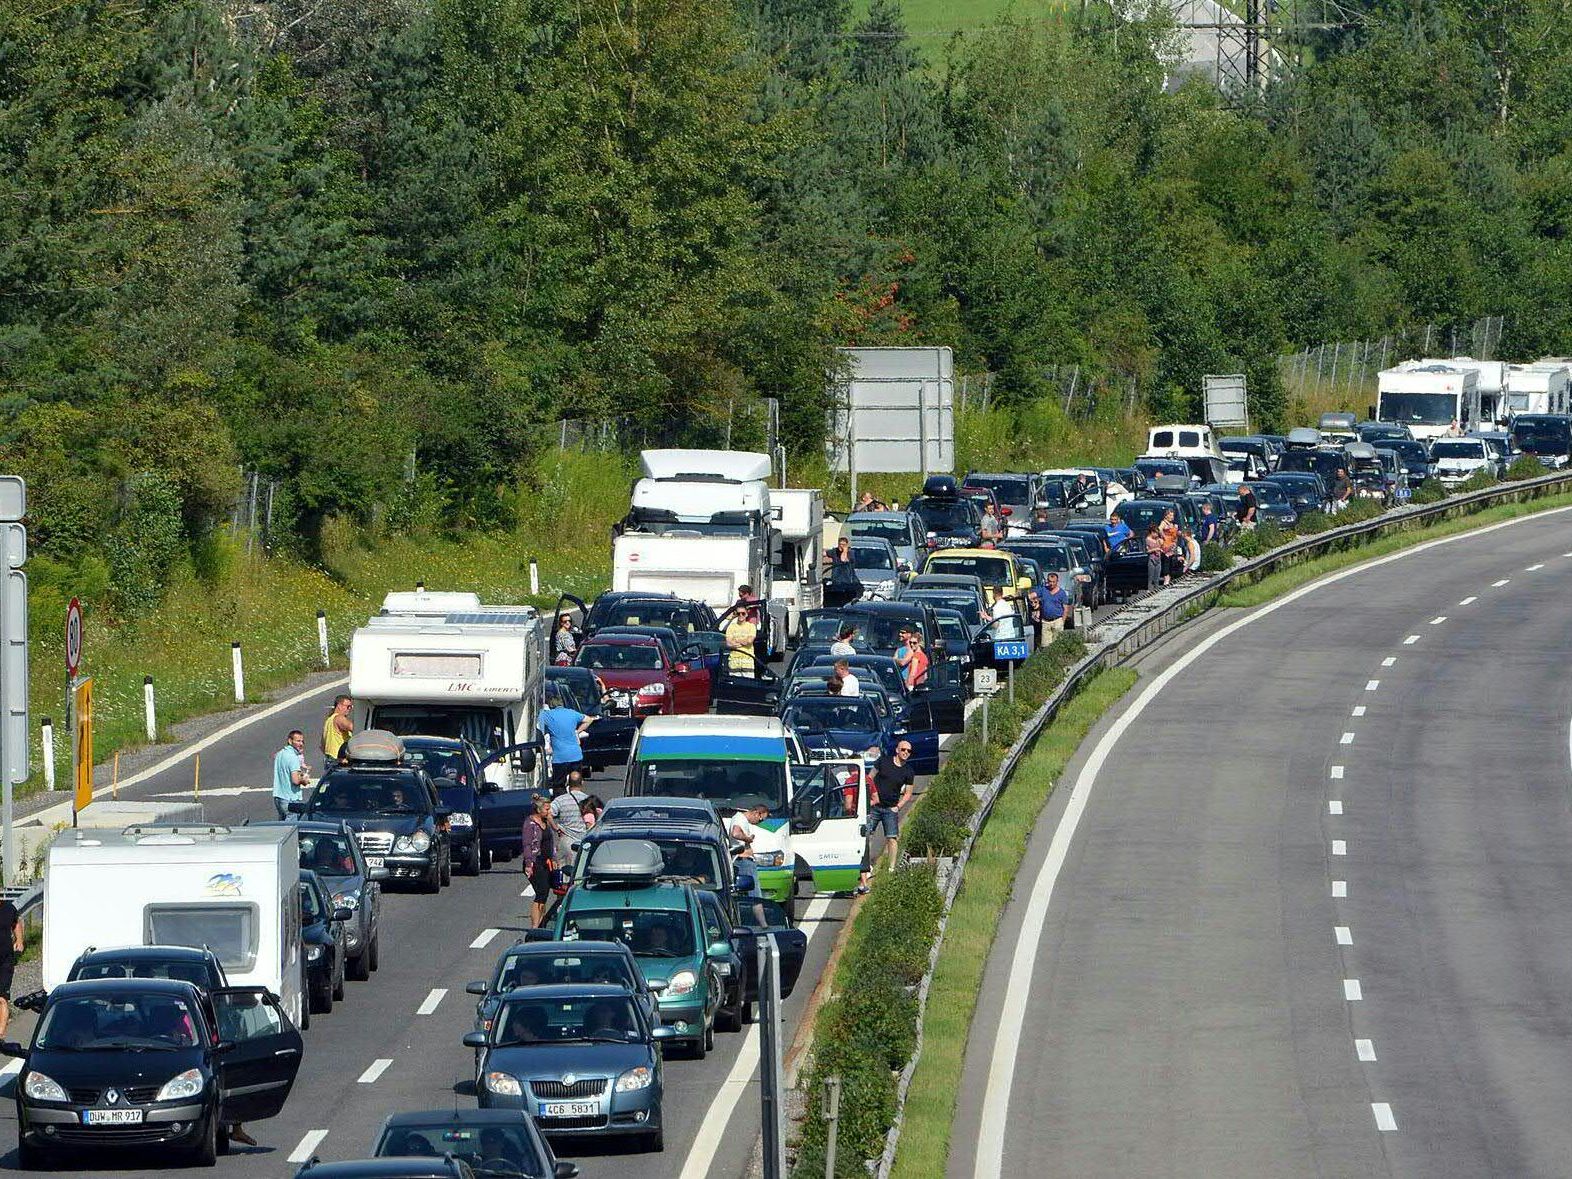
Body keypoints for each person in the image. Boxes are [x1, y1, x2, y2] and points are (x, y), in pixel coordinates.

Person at [869, 741, 917, 871]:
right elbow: (869, 778)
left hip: (890, 809)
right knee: (867, 834)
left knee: (892, 838)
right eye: (903, 749)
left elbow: (908, 793)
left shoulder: (908, 771)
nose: (906, 752)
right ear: (897, 750)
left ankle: (891, 868)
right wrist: (870, 798)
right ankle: (866, 865)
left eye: (909, 751)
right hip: (874, 806)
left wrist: (898, 807)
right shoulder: (883, 762)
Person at [538, 690, 596, 786]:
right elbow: (589, 720)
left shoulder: (546, 715)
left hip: (560, 757)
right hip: (576, 755)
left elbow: (539, 727)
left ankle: (561, 799)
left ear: (550, 705)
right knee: (575, 782)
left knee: (559, 784)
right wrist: (577, 731)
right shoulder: (572, 713)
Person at [522, 795, 556, 927]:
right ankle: (535, 926)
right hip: (536, 863)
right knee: (541, 892)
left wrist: (553, 858)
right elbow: (527, 845)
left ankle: (542, 923)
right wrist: (529, 864)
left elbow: (551, 840)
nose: (549, 812)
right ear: (538, 809)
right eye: (547, 809)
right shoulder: (530, 824)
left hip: (546, 862)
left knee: (545, 892)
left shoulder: (545, 821)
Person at [550, 771, 590, 869]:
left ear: (568, 783)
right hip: (584, 841)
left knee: (565, 872)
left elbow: (548, 813)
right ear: (582, 782)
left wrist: (555, 827)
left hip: (566, 840)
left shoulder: (560, 800)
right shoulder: (588, 800)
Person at [271, 729, 309, 820]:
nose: (301, 744)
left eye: (302, 741)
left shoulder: (280, 754)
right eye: (298, 741)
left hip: (278, 797)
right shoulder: (293, 758)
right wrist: (304, 780)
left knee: (282, 828)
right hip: (290, 799)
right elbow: (295, 780)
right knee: (291, 830)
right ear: (290, 741)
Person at [0, 893, 20, 1037]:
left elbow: (16, 923)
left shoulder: (9, 908)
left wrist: (20, 940)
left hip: (5, 961)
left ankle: (1, 1032)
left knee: (1, 998)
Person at [823, 536, 862, 608]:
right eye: (840, 544)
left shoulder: (850, 553)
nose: (841, 546)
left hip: (848, 582)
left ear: (847, 545)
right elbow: (824, 553)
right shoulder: (835, 551)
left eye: (843, 545)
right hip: (836, 581)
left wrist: (845, 550)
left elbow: (843, 559)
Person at [724, 606, 759, 677]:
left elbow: (749, 641)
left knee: (749, 685)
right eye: (738, 613)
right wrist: (743, 641)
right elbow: (728, 643)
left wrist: (736, 640)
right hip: (734, 662)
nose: (741, 615)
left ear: (746, 614)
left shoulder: (751, 627)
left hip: (747, 662)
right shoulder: (731, 627)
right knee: (735, 686)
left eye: (743, 613)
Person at [321, 694, 353, 761]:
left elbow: (322, 745)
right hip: (339, 760)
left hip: (329, 759)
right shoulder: (339, 718)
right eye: (348, 706)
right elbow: (352, 727)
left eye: (351, 707)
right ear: (339, 706)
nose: (350, 709)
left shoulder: (328, 721)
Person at [1144, 525, 1163, 592]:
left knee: (1157, 578)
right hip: (1152, 559)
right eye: (1156, 533)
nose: (1157, 535)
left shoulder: (1158, 539)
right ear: (1152, 532)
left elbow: (1162, 546)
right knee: (1151, 578)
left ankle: (1156, 591)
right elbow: (1147, 551)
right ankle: (1149, 590)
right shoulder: (1148, 540)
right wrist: (1155, 549)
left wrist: (1160, 541)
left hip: (1158, 559)